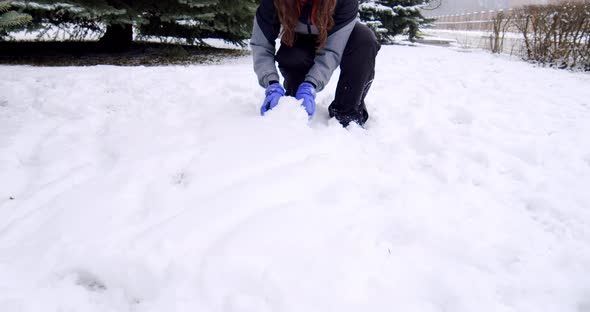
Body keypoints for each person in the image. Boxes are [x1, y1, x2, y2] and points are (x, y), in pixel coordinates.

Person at [250, 0, 381, 127]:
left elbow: (332, 50)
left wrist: (311, 84)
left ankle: (347, 113)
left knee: (364, 39)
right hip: (299, 46)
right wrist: (271, 82)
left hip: (335, 41)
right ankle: (294, 91)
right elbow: (261, 44)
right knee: (293, 59)